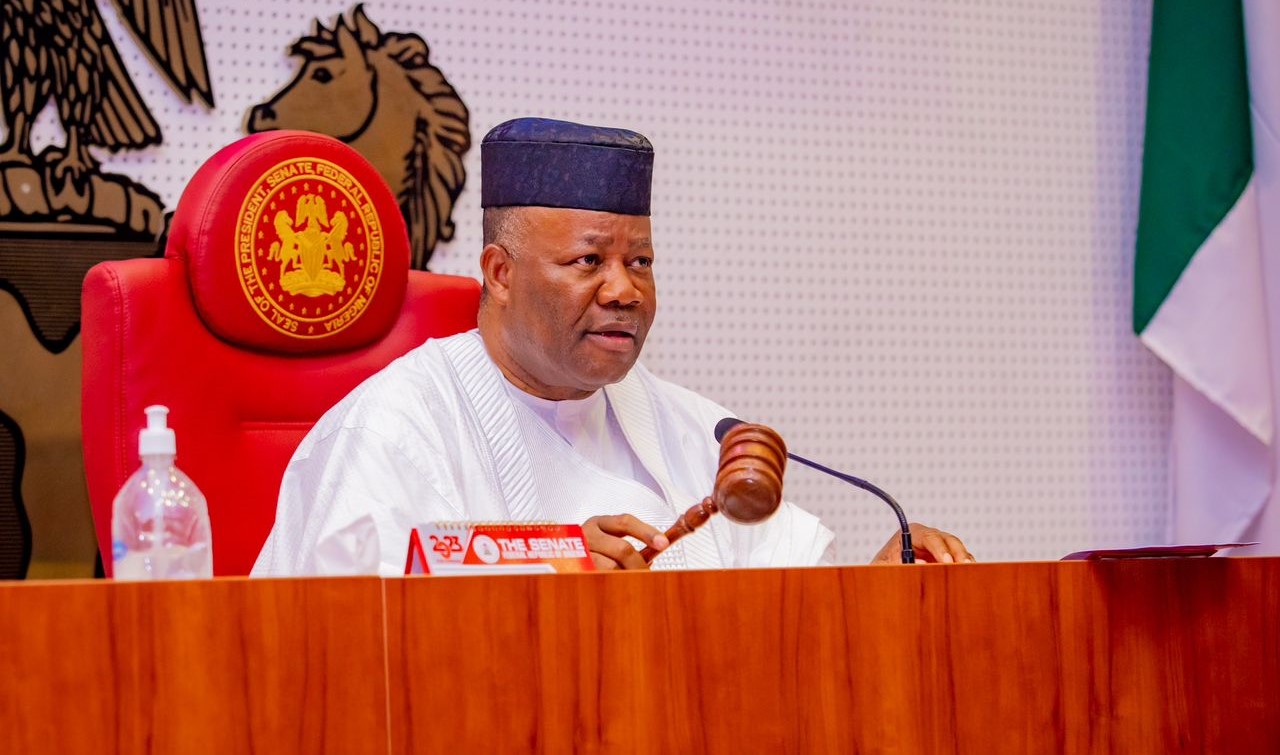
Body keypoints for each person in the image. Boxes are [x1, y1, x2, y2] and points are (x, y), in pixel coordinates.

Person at [252, 117, 973, 576]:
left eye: (642, 262)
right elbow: (350, 643)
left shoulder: (697, 430)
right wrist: (548, 571)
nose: (625, 289)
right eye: (588, 261)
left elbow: (787, 610)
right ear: (500, 274)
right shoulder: (394, 427)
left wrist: (878, 587)